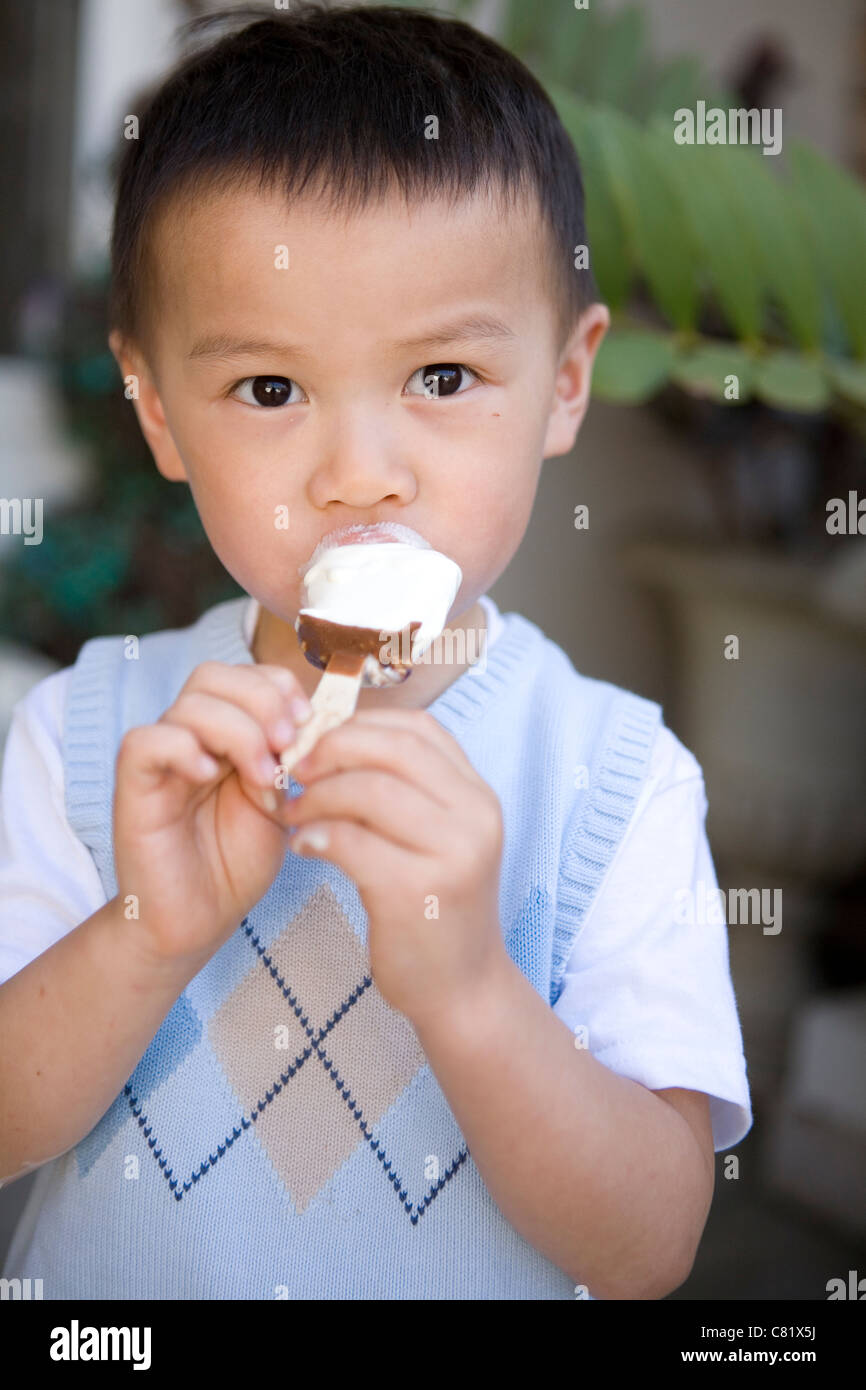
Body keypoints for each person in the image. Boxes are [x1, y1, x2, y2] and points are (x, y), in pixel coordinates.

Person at [0, 3, 751, 1300]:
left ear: (566, 380)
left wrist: (467, 990)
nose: (360, 475)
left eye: (444, 376)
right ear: (157, 410)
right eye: (271, 390)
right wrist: (143, 932)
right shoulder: (89, 734)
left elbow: (647, 1245)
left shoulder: (616, 784)